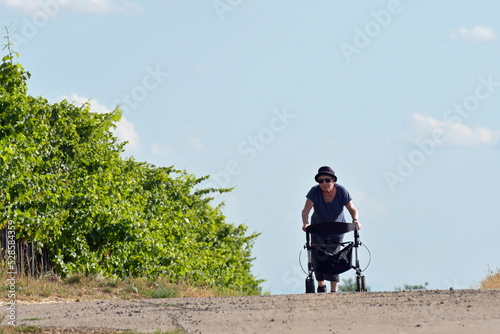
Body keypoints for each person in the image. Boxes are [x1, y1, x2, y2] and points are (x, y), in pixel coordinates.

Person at [301, 166, 360, 293]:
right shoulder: (314, 191)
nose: (324, 183)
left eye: (327, 180)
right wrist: (305, 223)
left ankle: (334, 291)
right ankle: (321, 285)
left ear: (333, 180)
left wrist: (355, 220)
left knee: (334, 258)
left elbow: (352, 209)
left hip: (337, 230)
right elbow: (306, 210)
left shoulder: (342, 191)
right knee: (317, 256)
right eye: (320, 181)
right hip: (318, 229)